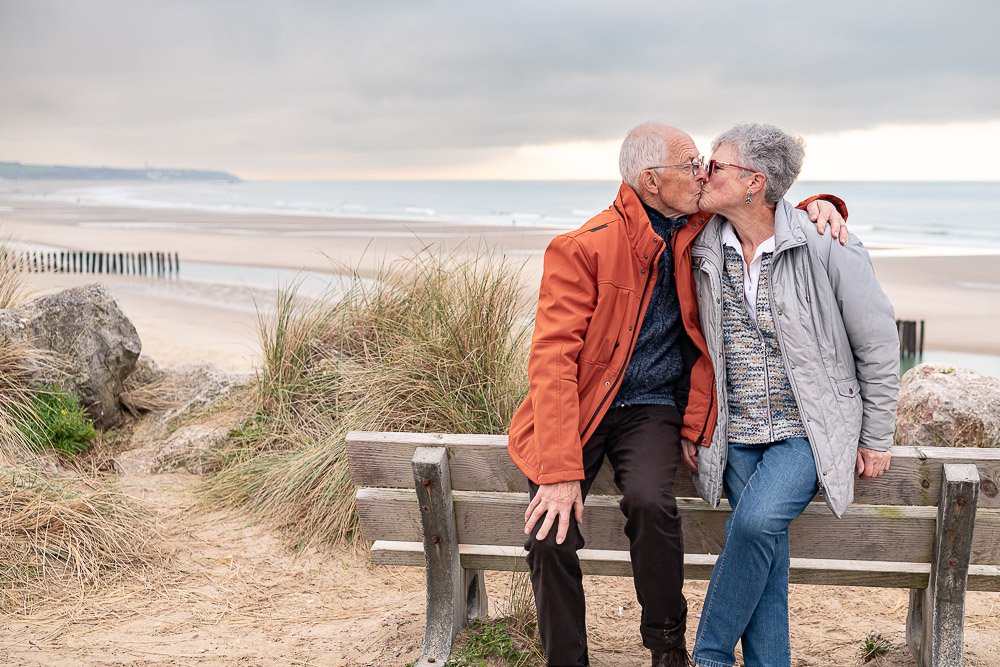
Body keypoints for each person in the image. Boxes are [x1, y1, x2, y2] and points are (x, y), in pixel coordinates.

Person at [507, 121, 849, 667]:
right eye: (691, 166)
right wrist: (557, 469)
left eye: (704, 165)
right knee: (549, 534)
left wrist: (820, 204)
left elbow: (760, 202)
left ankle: (667, 648)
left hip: (651, 408)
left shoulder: (695, 223)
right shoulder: (582, 248)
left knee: (651, 503)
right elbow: (551, 363)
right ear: (650, 180)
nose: (702, 173)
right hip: (583, 407)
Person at [680, 123, 899, 667]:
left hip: (807, 430)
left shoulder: (827, 243)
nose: (704, 172)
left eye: (717, 164)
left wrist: (876, 434)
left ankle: (708, 655)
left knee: (753, 525)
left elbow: (877, 342)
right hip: (734, 431)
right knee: (765, 557)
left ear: (755, 182)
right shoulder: (702, 243)